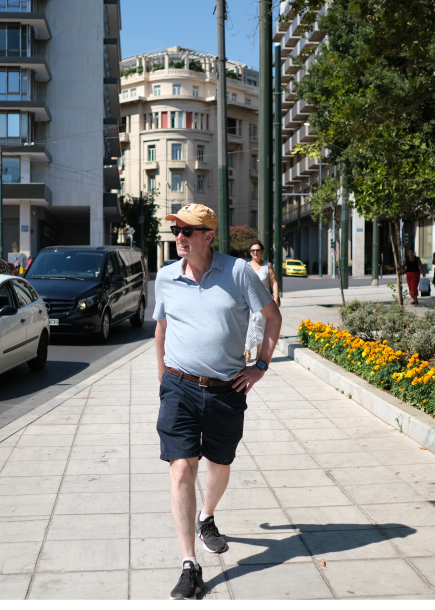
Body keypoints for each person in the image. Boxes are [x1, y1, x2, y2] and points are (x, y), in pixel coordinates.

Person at [153, 203, 281, 600]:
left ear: (208, 236)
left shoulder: (239, 272)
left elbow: (273, 317)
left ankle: (206, 516)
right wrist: (162, 377)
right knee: (181, 468)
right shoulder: (166, 276)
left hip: (227, 388)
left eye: (188, 231)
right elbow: (161, 327)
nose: (179, 237)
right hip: (179, 386)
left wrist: (260, 366)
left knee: (220, 464)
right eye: (176, 230)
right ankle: (189, 564)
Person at [244, 239, 279, 362]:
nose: (255, 252)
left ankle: (259, 354)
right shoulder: (246, 266)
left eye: (258, 250)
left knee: (261, 327)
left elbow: (274, 282)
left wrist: (276, 297)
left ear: (262, 252)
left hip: (264, 303)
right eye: (253, 250)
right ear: (250, 252)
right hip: (248, 302)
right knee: (247, 326)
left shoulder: (267, 266)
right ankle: (247, 349)